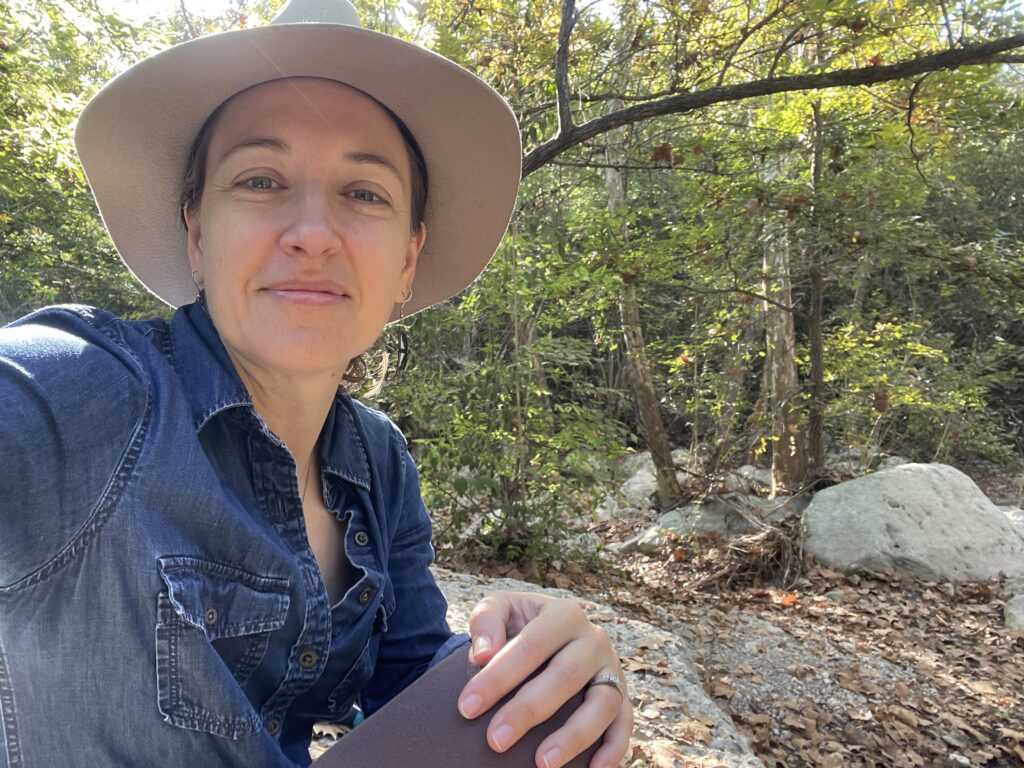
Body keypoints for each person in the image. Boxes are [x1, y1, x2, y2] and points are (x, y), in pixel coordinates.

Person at [0, 0, 633, 766]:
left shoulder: (378, 460)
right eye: (261, 180)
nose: (312, 232)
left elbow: (412, 681)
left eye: (364, 194)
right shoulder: (91, 391)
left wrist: (528, 658)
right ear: (197, 232)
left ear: (406, 258)